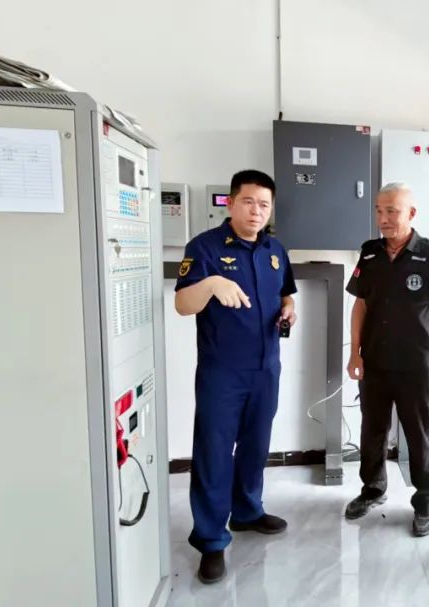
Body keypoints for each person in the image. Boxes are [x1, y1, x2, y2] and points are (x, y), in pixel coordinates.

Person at [174, 169, 298, 584]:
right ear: (230, 203)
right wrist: (211, 282)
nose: (256, 211)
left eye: (264, 204)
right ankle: (211, 540)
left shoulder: (275, 249)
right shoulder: (205, 247)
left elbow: (286, 293)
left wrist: (289, 309)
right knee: (213, 453)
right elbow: (182, 304)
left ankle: (246, 511)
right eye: (248, 202)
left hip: (266, 367)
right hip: (222, 372)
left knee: (255, 445)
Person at [343, 182, 429, 536]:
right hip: (375, 360)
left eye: (391, 211)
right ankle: (372, 489)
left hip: (414, 364)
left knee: (419, 432)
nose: (383, 218)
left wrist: (413, 327)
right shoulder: (370, 253)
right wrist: (354, 351)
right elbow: (360, 304)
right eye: (379, 210)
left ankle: (425, 499)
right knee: (372, 430)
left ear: (411, 213)